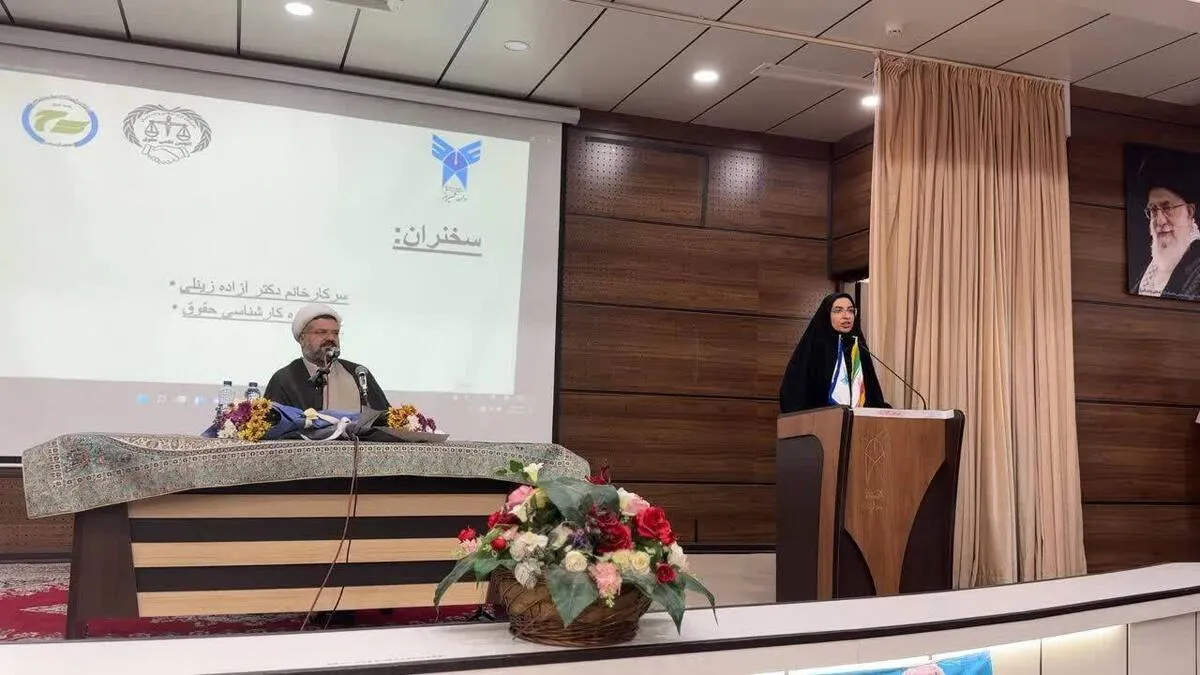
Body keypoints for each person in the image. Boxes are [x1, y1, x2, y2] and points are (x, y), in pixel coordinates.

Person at [264, 303, 391, 411]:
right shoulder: (284, 379)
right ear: (302, 339)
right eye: (321, 332)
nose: (331, 338)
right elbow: (272, 424)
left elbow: (384, 419)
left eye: (335, 333)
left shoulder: (358, 373)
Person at [778, 292, 889, 413]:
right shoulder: (815, 349)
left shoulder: (859, 348)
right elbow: (793, 396)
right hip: (820, 421)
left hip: (859, 420)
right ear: (827, 315)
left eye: (850, 310)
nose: (846, 316)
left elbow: (873, 395)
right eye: (838, 310)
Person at [1134, 169, 1200, 299]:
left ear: (1189, 212)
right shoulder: (1148, 269)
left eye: (1167, 208)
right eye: (1153, 210)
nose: (1160, 221)